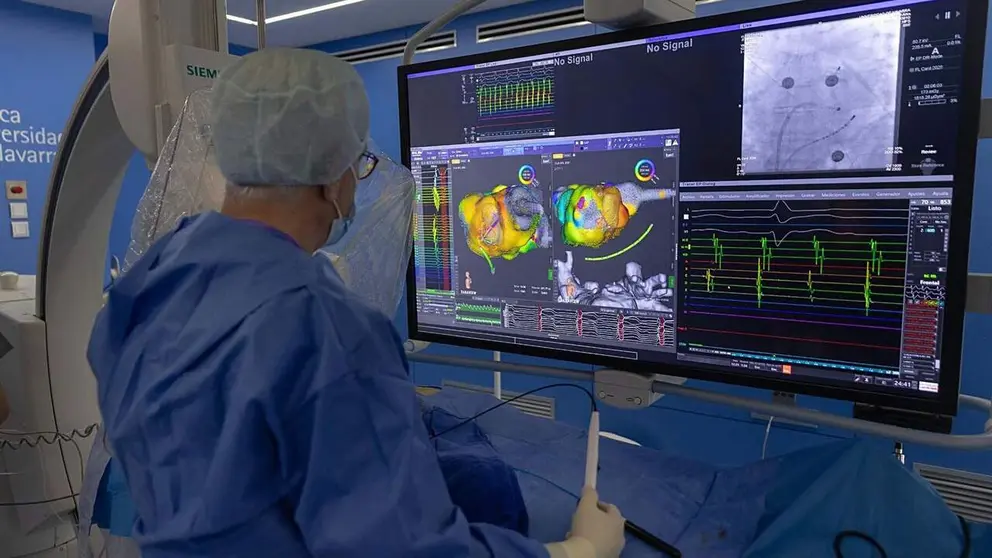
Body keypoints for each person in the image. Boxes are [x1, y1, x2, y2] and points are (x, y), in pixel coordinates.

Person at [87, 48, 625, 558]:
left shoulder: (150, 282)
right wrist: (581, 549)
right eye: (359, 163)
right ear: (330, 177)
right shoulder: (327, 328)